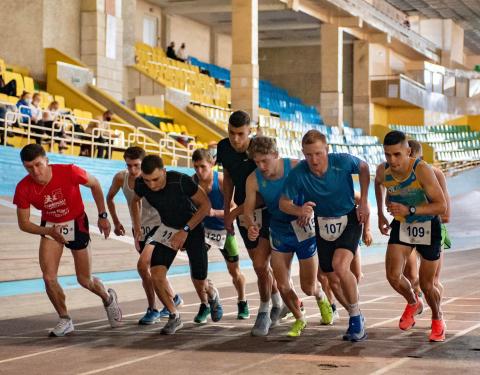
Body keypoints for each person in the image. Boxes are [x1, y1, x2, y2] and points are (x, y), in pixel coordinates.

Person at [13, 144, 122, 337]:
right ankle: (64, 318)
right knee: (48, 277)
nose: (35, 171)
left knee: (84, 280)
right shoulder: (23, 187)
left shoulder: (69, 171)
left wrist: (103, 215)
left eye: (38, 165)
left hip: (77, 223)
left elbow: (95, 184)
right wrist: (48, 231)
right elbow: (23, 223)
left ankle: (107, 298)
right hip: (51, 226)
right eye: (29, 167)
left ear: (47, 160)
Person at [279, 129, 370, 342]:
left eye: (318, 154)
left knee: (340, 266)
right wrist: (299, 210)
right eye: (309, 155)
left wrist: (364, 200)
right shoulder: (300, 173)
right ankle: (355, 314)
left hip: (349, 218)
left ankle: (356, 320)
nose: (314, 159)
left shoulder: (343, 161)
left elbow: (364, 167)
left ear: (327, 150)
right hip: (323, 223)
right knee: (330, 277)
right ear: (303, 153)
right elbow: (284, 203)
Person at [244, 136, 333, 337]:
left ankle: (321, 297)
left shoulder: (296, 167)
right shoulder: (253, 179)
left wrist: (307, 210)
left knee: (308, 286)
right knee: (282, 283)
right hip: (279, 230)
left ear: (276, 155)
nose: (261, 166)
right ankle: (299, 318)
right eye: (257, 162)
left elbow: (316, 189)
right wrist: (251, 225)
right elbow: (248, 210)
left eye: (265, 160)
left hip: (303, 229)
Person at [131, 155, 223, 335]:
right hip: (168, 228)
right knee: (156, 275)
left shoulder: (181, 181)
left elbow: (205, 205)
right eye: (147, 180)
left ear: (164, 172)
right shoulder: (141, 184)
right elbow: (135, 200)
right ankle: (174, 315)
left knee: (200, 281)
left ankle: (212, 293)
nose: (152, 185)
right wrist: (136, 226)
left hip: (192, 227)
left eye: (156, 179)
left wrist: (185, 230)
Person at [375, 130, 447, 342]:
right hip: (403, 226)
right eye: (387, 155)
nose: (392, 160)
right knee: (393, 276)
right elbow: (379, 183)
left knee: (427, 284)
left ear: (408, 152)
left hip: (428, 226)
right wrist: (381, 212)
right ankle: (414, 302)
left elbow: (441, 206)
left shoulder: (422, 170)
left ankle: (437, 317)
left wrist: (411, 210)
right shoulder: (383, 170)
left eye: (397, 154)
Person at [217, 110, 281, 337]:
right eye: (232, 133)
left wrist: (235, 212)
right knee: (259, 264)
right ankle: (276, 303)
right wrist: (227, 211)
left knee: (263, 265)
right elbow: (229, 178)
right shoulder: (223, 147)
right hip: (245, 213)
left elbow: (268, 187)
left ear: (250, 132)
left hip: (268, 210)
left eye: (241, 134)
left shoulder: (258, 151)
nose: (236, 139)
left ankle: (268, 308)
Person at [106, 147, 183, 324]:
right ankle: (173, 298)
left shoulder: (150, 179)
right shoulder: (121, 178)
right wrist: (116, 221)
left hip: (160, 226)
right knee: (152, 268)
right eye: (129, 166)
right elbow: (110, 197)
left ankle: (153, 309)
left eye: (137, 166)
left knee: (142, 266)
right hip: (140, 229)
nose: (133, 170)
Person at [192, 148, 249, 320]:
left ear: (212, 164)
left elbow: (233, 209)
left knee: (235, 272)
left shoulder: (223, 180)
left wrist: (214, 213)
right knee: (197, 273)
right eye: (195, 167)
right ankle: (205, 303)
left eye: (203, 167)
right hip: (202, 232)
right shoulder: (192, 183)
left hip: (224, 231)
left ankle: (242, 300)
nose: (199, 172)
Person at [401, 140, 451, 313]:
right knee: (411, 276)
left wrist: (423, 213)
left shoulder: (435, 174)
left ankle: (438, 314)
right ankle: (418, 301)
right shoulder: (400, 175)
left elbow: (446, 214)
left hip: (434, 228)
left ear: (421, 159)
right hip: (410, 229)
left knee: (432, 281)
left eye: (414, 162)